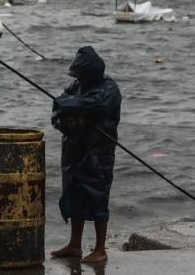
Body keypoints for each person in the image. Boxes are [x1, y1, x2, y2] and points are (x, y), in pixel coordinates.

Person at [49, 46, 121, 264]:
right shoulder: (76, 85)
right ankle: (74, 245)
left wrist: (67, 106)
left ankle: (100, 249)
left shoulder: (109, 90)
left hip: (98, 153)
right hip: (73, 151)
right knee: (75, 196)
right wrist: (64, 120)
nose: (78, 79)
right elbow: (59, 106)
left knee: (98, 197)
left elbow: (90, 104)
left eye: (81, 75)